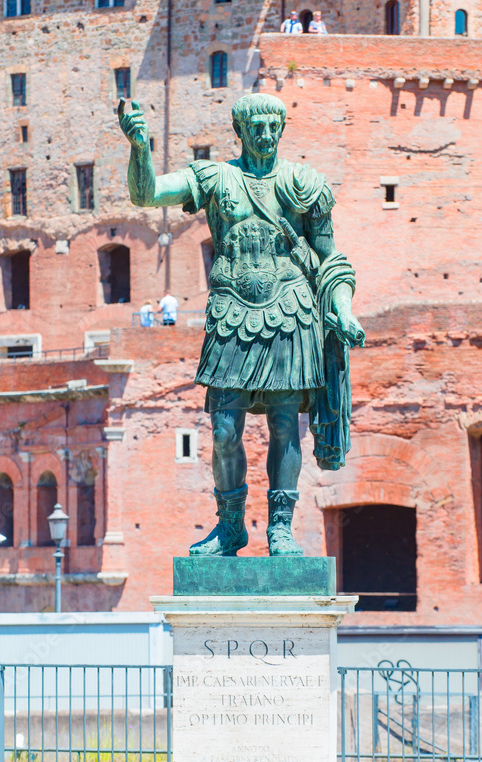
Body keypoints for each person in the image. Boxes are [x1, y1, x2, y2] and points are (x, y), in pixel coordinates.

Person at [118, 94, 364, 558]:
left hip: (291, 311)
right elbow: (146, 194)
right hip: (232, 314)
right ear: (240, 128)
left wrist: (344, 309)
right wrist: (139, 148)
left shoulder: (305, 183)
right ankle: (230, 526)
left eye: (274, 125)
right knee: (225, 429)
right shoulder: (213, 177)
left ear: (283, 128)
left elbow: (333, 261)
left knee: (285, 426)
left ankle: (281, 529)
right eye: (257, 126)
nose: (266, 134)